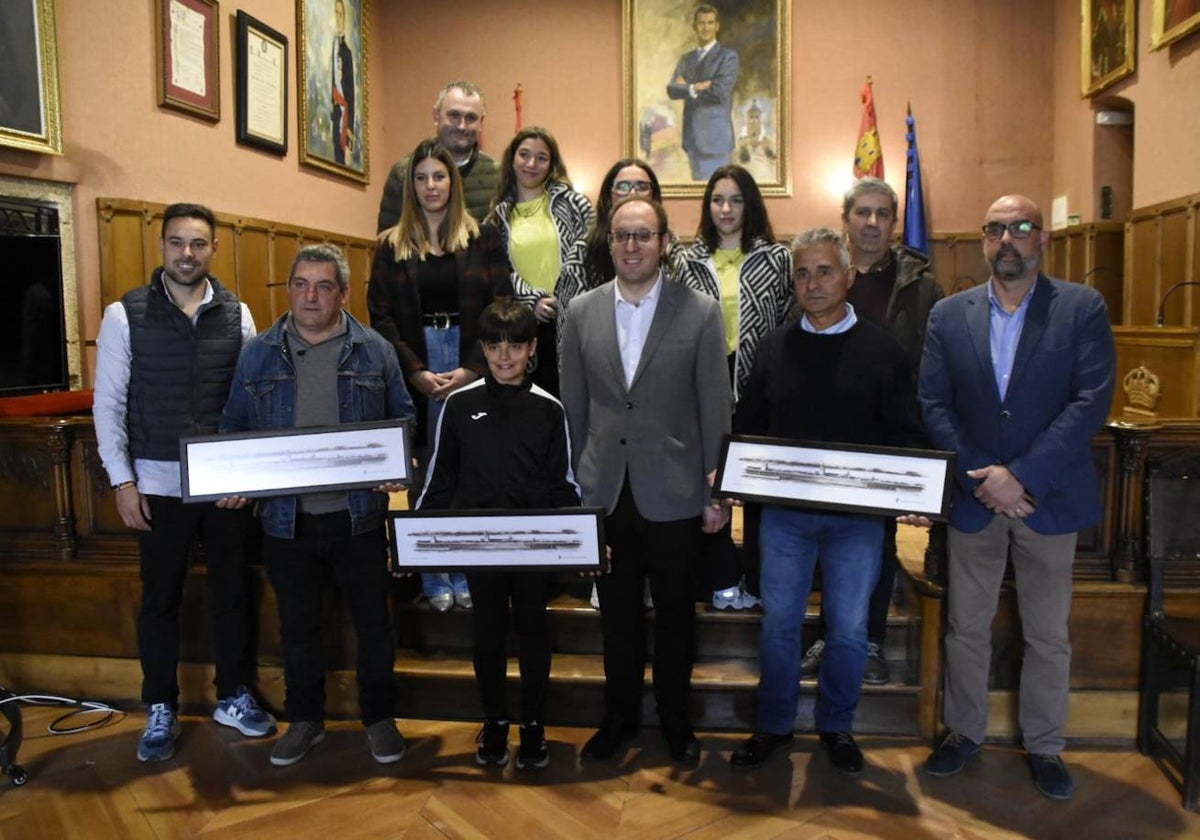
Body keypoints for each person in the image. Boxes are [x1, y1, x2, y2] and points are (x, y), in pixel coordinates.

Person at [919, 195, 1115, 801]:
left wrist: (1021, 477)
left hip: (1047, 499)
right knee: (966, 626)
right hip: (977, 499)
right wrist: (987, 477)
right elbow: (933, 404)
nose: (1008, 239)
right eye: (996, 229)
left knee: (1047, 633)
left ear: (1043, 239)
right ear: (982, 240)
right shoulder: (950, 315)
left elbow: (1089, 402)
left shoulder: (1080, 308)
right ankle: (965, 733)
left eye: (1021, 228)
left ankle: (1046, 744)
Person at [728, 228, 924, 775]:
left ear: (849, 276)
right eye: (802, 273)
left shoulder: (884, 352)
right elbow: (749, 426)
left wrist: (912, 489)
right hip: (785, 519)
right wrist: (734, 474)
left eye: (824, 271)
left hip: (857, 523)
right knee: (779, 624)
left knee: (849, 628)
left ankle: (837, 726)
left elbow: (907, 435)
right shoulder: (774, 347)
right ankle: (773, 726)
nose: (812, 284)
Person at [220, 243, 416, 768]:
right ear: (289, 289)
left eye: (324, 286)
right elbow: (234, 428)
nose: (311, 296)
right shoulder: (257, 353)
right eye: (301, 284)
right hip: (287, 522)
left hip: (360, 520)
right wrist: (235, 478)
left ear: (344, 293)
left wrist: (395, 465)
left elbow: (403, 420)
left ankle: (380, 719)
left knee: (374, 626)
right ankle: (305, 719)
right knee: (299, 630)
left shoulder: (375, 350)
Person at [93, 202, 275, 763]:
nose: (187, 254)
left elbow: (249, 402)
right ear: (162, 246)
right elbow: (109, 403)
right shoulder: (125, 314)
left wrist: (247, 473)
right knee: (161, 600)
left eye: (197, 244)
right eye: (176, 243)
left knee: (231, 593)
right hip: (156, 484)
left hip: (223, 484)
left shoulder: (237, 313)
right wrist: (122, 482)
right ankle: (160, 706)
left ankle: (234, 696)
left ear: (213, 248)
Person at [560, 195, 731, 765]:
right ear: (608, 244)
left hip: (678, 492)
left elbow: (715, 409)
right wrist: (578, 497)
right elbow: (574, 410)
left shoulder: (702, 311)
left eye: (644, 235)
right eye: (622, 235)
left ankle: (677, 722)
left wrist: (717, 494)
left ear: (662, 243)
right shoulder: (580, 312)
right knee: (618, 619)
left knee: (678, 616)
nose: (632, 245)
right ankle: (619, 718)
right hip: (605, 491)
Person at [415, 301, 581, 770]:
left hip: (534, 547)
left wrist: (584, 537)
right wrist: (414, 538)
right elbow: (440, 478)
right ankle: (494, 720)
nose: (504, 356)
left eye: (515, 346)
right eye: (494, 346)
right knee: (486, 632)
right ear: (483, 350)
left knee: (533, 631)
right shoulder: (458, 405)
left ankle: (532, 723)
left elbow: (563, 482)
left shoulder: (550, 409)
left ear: (532, 349)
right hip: (478, 545)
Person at [801, 177, 944, 685]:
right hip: (822, 431)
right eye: (863, 213)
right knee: (819, 538)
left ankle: (872, 639)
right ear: (846, 219)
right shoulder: (821, 271)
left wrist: (920, 453)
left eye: (883, 214)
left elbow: (934, 368)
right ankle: (827, 632)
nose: (872, 223)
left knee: (876, 541)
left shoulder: (921, 285)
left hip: (885, 434)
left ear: (894, 223)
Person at [368, 139, 514, 611]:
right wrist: (415, 371)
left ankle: (468, 570)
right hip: (417, 360)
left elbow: (501, 304)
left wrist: (473, 367)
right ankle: (433, 574)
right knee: (426, 472)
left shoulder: (483, 237)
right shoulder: (391, 245)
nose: (431, 186)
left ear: (454, 181)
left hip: (469, 355)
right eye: (421, 177)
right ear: (410, 186)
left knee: (468, 467)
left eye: (439, 176)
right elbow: (381, 316)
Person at [678, 164, 792, 611]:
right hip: (702, 381)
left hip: (758, 380)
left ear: (751, 204)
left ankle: (760, 580)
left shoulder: (775, 258)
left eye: (736, 200)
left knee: (756, 482)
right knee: (708, 479)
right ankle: (716, 576)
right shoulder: (686, 260)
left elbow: (786, 322)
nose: (726, 209)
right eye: (718, 200)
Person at [487, 126, 594, 395]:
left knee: (576, 399)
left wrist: (567, 296)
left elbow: (591, 250)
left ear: (551, 164)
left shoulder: (575, 203)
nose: (531, 164)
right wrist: (532, 299)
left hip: (574, 320)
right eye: (524, 155)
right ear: (512, 160)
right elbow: (499, 270)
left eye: (541, 158)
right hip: (525, 324)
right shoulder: (497, 218)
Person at [377, 81, 499, 230]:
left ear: (481, 122)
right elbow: (387, 244)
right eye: (454, 115)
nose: (462, 126)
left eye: (471, 118)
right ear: (436, 116)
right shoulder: (404, 173)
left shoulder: (498, 176)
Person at [583, 158, 684, 289]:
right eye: (623, 187)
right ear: (609, 196)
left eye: (642, 187)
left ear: (653, 195)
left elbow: (685, 302)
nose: (632, 193)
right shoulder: (583, 250)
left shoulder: (672, 247)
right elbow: (573, 306)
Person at [666, 4, 740, 181]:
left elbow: (719, 91)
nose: (705, 27)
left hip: (716, 140)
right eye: (701, 23)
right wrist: (695, 87)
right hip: (692, 139)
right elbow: (671, 89)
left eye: (710, 23)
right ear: (694, 27)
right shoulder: (687, 59)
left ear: (717, 26)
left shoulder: (727, 57)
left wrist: (686, 87)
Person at [330, 0, 355, 166]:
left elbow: (351, 96)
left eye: (341, 14)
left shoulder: (346, 52)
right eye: (336, 13)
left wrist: (349, 138)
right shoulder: (332, 47)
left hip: (342, 115)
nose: (339, 18)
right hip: (333, 113)